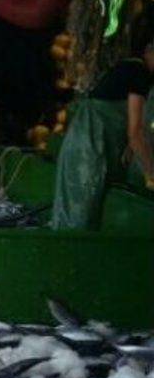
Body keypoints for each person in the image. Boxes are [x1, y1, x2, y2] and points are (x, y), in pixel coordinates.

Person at [52, 23, 154, 230]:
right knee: (78, 217)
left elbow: (132, 131)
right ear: (149, 51)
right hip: (87, 151)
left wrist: (130, 146)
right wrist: (150, 173)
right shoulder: (138, 72)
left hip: (89, 147)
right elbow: (135, 132)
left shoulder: (130, 69)